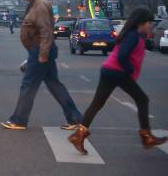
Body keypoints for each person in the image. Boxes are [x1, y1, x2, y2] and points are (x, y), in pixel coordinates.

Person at [68, 8, 167, 153]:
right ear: (141, 23)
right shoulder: (132, 36)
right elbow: (122, 56)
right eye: (149, 22)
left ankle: (79, 135)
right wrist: (129, 70)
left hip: (109, 70)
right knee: (142, 99)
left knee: (97, 103)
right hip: (118, 72)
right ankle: (146, 137)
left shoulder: (136, 35)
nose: (151, 25)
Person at [1, 0, 83, 131]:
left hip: (40, 50)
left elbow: (46, 32)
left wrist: (42, 54)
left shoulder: (39, 5)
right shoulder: (35, 4)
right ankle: (75, 118)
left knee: (28, 85)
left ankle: (19, 119)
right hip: (39, 50)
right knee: (54, 85)